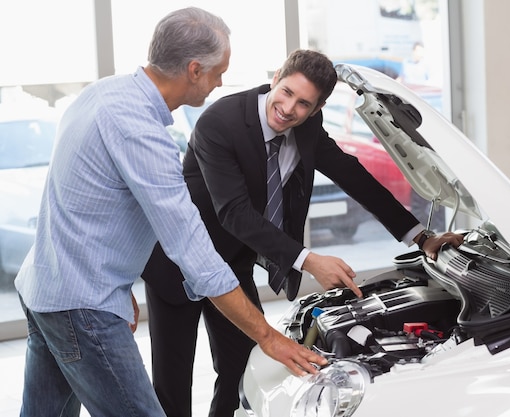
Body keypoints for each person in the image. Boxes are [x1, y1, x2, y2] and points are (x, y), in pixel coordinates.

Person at [13, 9, 326, 417]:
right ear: (194, 70)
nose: (219, 83)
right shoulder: (142, 133)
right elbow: (193, 251)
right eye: (217, 73)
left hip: (45, 288)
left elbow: (78, 202)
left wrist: (117, 281)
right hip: (82, 308)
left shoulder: (102, 93)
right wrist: (268, 337)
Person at [142, 49, 465, 417]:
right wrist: (309, 260)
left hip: (231, 265)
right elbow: (234, 212)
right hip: (177, 262)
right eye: (286, 92)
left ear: (317, 108)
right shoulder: (220, 122)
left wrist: (422, 238)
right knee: (173, 381)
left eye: (303, 104)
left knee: (238, 367)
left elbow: (352, 175)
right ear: (276, 75)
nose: (288, 108)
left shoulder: (308, 126)